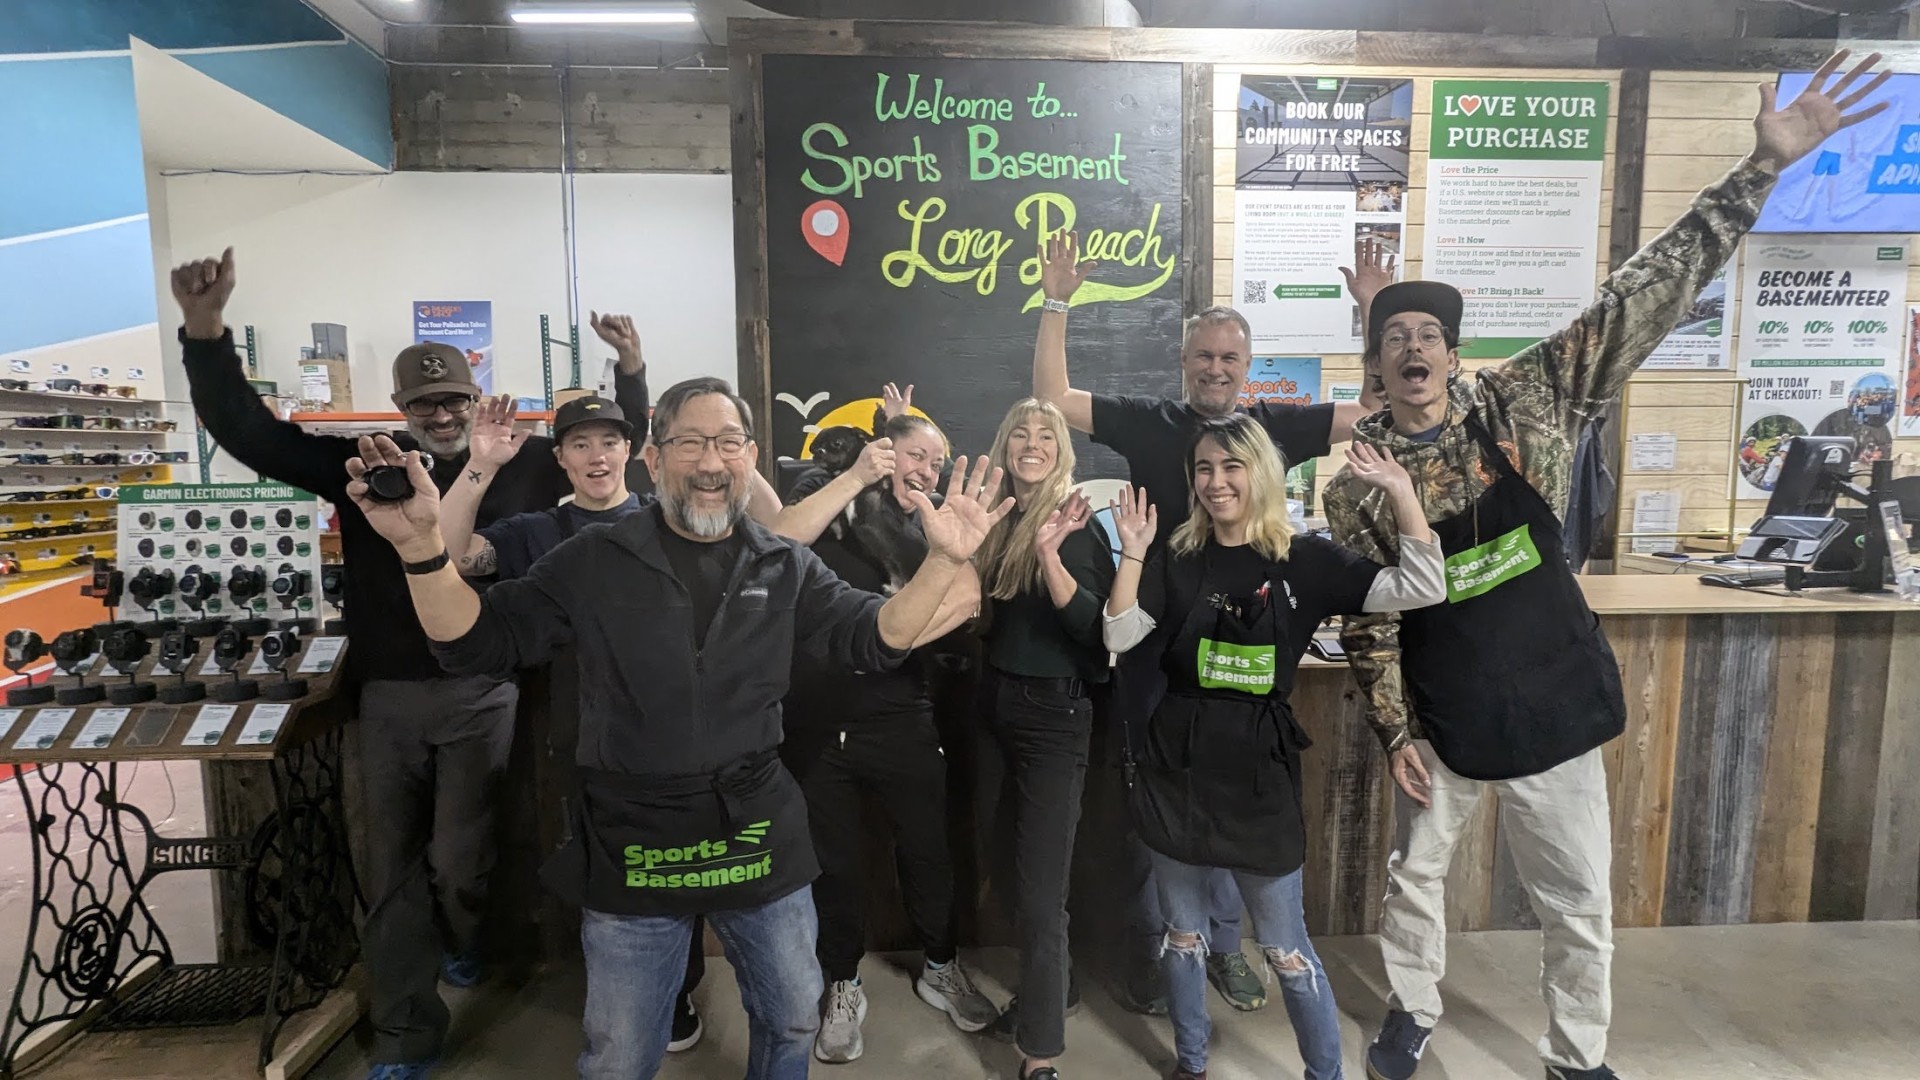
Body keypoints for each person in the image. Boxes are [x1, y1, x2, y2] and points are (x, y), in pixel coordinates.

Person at [1322, 51, 1891, 1080]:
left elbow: (1644, 294)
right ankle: (1411, 1011)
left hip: (1553, 702)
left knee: (1578, 901)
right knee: (1415, 885)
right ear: (1377, 365)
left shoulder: (1527, 403)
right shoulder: (1356, 487)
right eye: (1395, 334)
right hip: (1444, 722)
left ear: (1452, 352)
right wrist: (1395, 727)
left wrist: (1760, 169)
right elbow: (1371, 620)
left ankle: (1576, 1056)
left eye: (1430, 332)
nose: (1414, 345)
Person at [345, 375, 1006, 1080]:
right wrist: (421, 550)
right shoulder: (592, 558)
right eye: (690, 443)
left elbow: (877, 636)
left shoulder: (783, 562)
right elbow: (473, 641)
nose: (711, 462)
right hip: (635, 840)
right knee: (622, 1054)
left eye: (727, 443)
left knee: (792, 1015)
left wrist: (945, 560)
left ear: (751, 458)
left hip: (759, 832)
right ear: (655, 461)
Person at [169, 250, 650, 1080]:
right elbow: (251, 434)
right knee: (389, 869)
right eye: (425, 403)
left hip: (486, 689)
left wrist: (631, 368)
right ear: (401, 408)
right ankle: (405, 1031)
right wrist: (205, 330)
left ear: (474, 397)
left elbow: (608, 446)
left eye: (454, 398)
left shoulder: (520, 458)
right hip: (388, 692)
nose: (442, 414)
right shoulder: (366, 462)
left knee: (461, 862)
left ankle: (464, 936)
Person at [1030, 232, 1390, 1014]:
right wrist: (1057, 299)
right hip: (1150, 638)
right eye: (1204, 356)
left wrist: (1371, 310)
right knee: (1150, 804)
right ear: (1184, 362)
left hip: (1240, 644)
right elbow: (1054, 400)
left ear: (1247, 365)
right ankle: (1155, 952)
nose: (1216, 368)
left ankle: (1224, 950)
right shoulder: (1148, 420)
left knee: (1230, 801)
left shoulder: (1273, 425)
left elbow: (1371, 411)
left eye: (1229, 357)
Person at [1102, 414, 1446, 1080]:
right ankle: (1192, 1065)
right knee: (1183, 939)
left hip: (1258, 775)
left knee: (1286, 950)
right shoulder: (1177, 554)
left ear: (1260, 472)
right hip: (1176, 766)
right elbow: (1118, 636)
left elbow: (1423, 587)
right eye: (1204, 468)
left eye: (1231, 466)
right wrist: (1133, 552)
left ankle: (1325, 1074)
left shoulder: (1306, 558)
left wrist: (1403, 493)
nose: (1216, 482)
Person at [777, 395, 998, 1063]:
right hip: (820, 723)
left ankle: (940, 968)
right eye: (915, 455)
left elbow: (968, 598)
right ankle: (842, 985)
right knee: (834, 864)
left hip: (904, 717)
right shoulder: (828, 499)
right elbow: (778, 541)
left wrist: (880, 641)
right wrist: (856, 476)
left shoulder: (932, 528)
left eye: (936, 460)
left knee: (929, 852)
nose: (926, 469)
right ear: (883, 452)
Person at [969, 397, 1115, 1080]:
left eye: (1046, 436)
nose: (1032, 444)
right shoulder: (1001, 519)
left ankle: (1041, 1054)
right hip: (995, 704)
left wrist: (1050, 555)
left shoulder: (1073, 521)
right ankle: (1051, 993)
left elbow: (1096, 632)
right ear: (1005, 445)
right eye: (1021, 433)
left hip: (1054, 715)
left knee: (1040, 892)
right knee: (1005, 865)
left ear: (1062, 451)